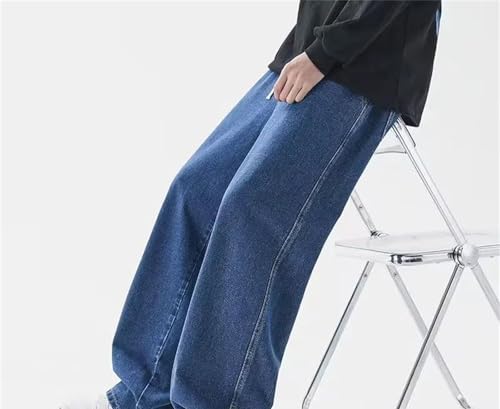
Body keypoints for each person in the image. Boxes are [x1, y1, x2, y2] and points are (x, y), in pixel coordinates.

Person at [61, 1, 441, 408]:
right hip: (308, 48)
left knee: (251, 213)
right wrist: (312, 50)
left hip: (367, 58)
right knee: (196, 190)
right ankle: (144, 393)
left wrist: (325, 54)